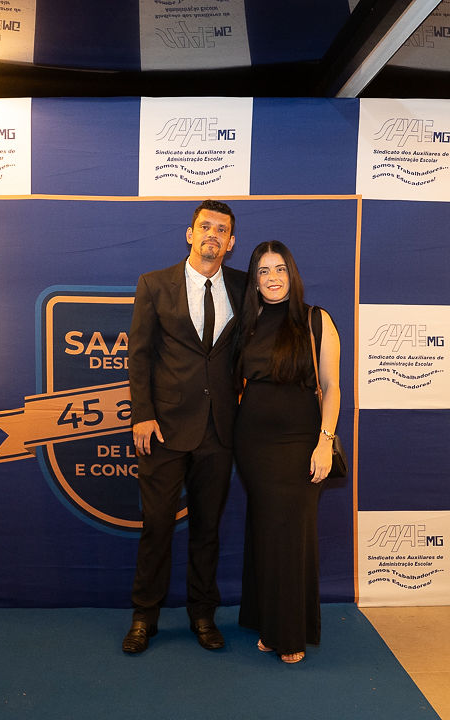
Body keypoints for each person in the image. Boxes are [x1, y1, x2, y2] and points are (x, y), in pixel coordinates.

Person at [122, 199, 247, 654]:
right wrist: (142, 414)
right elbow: (138, 355)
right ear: (190, 234)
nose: (213, 234)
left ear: (230, 243)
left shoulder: (244, 286)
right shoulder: (155, 284)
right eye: (205, 226)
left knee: (207, 530)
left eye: (222, 230)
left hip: (219, 430)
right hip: (163, 429)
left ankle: (202, 614)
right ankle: (144, 616)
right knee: (157, 526)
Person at [233, 240, 341, 664]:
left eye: (279, 269)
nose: (272, 277)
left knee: (292, 535)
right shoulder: (248, 322)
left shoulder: (316, 320)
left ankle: (290, 632)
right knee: (266, 531)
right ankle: (268, 622)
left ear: (292, 274)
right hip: (253, 445)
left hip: (301, 443)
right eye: (263, 271)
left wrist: (324, 442)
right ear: (255, 281)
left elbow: (331, 387)